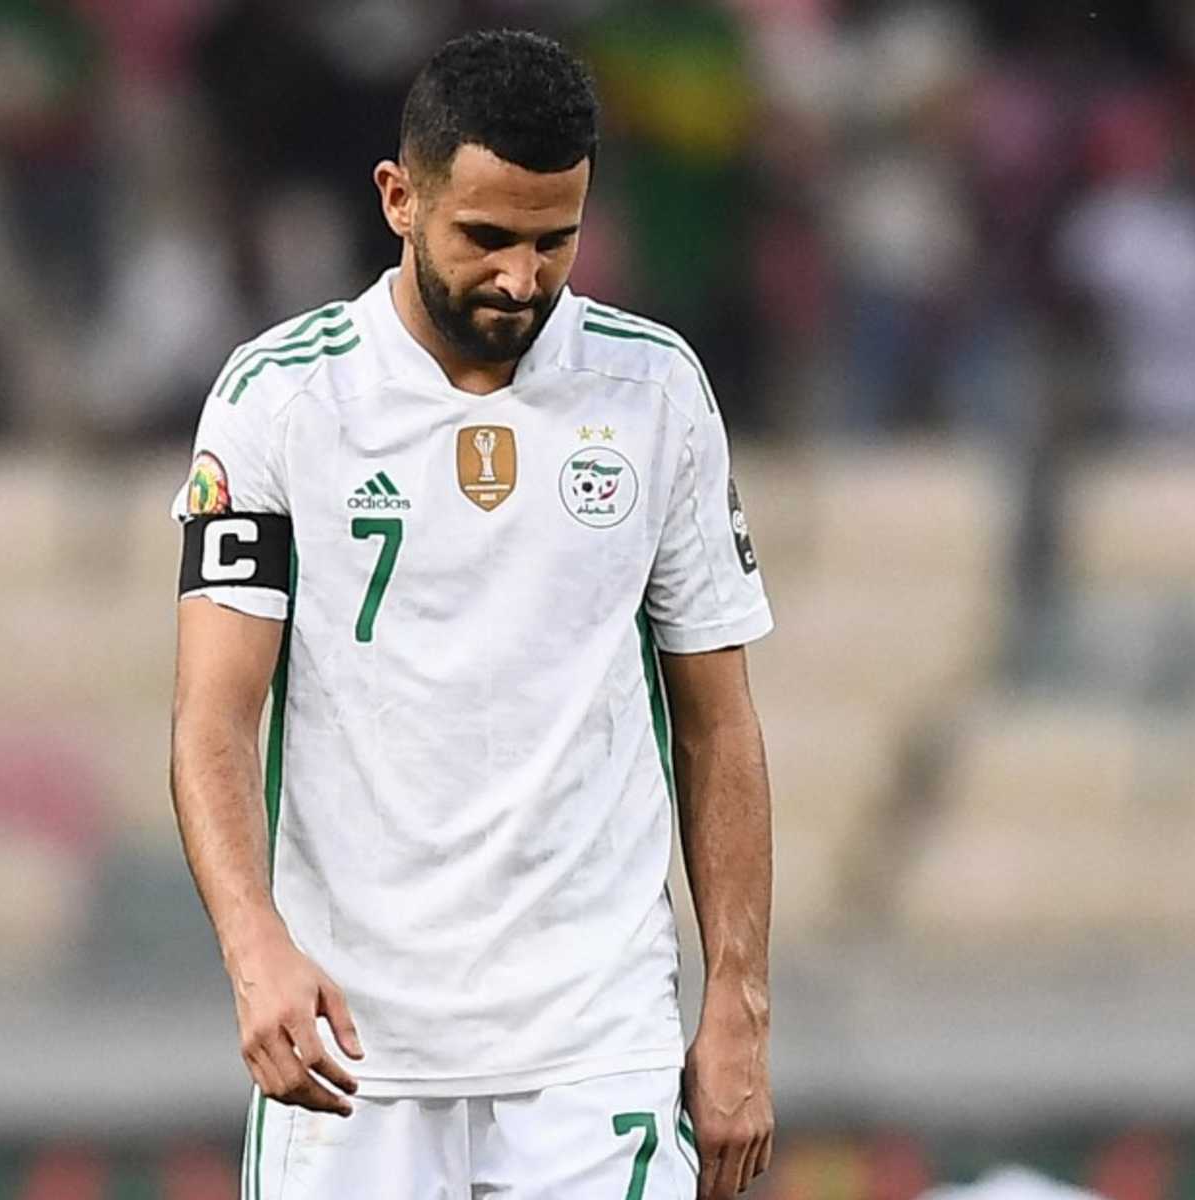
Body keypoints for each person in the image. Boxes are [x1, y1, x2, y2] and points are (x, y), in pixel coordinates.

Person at [169, 29, 776, 1200]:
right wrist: (255, 953)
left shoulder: (652, 392)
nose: (520, 279)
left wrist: (738, 1005)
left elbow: (719, 724)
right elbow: (212, 718)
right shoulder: (282, 400)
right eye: (485, 239)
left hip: (594, 1041)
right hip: (352, 1049)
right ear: (399, 197)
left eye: (556, 242)